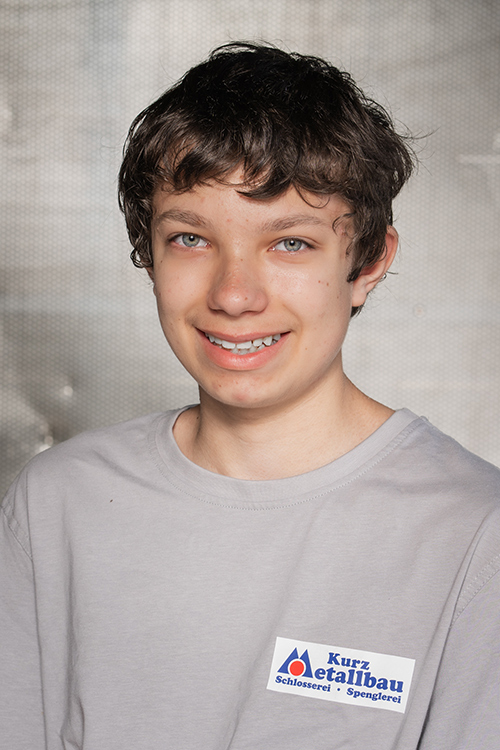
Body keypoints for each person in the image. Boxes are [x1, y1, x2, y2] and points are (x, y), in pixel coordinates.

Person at [1, 42, 499, 750]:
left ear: (368, 262)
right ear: (149, 254)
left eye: (290, 243)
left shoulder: (476, 534)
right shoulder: (56, 503)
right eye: (190, 238)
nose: (234, 296)